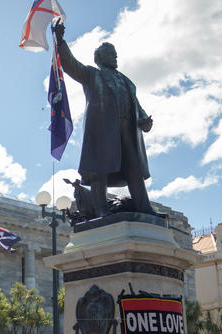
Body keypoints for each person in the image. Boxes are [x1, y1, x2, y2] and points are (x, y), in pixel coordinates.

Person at [53, 19, 156, 217]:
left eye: (116, 55)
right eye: (111, 55)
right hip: (103, 131)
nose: (115, 58)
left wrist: (144, 120)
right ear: (100, 58)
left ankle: (145, 207)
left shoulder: (127, 81)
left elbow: (136, 105)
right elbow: (71, 65)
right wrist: (60, 41)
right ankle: (101, 209)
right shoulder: (93, 75)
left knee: (134, 169)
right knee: (100, 171)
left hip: (128, 131)